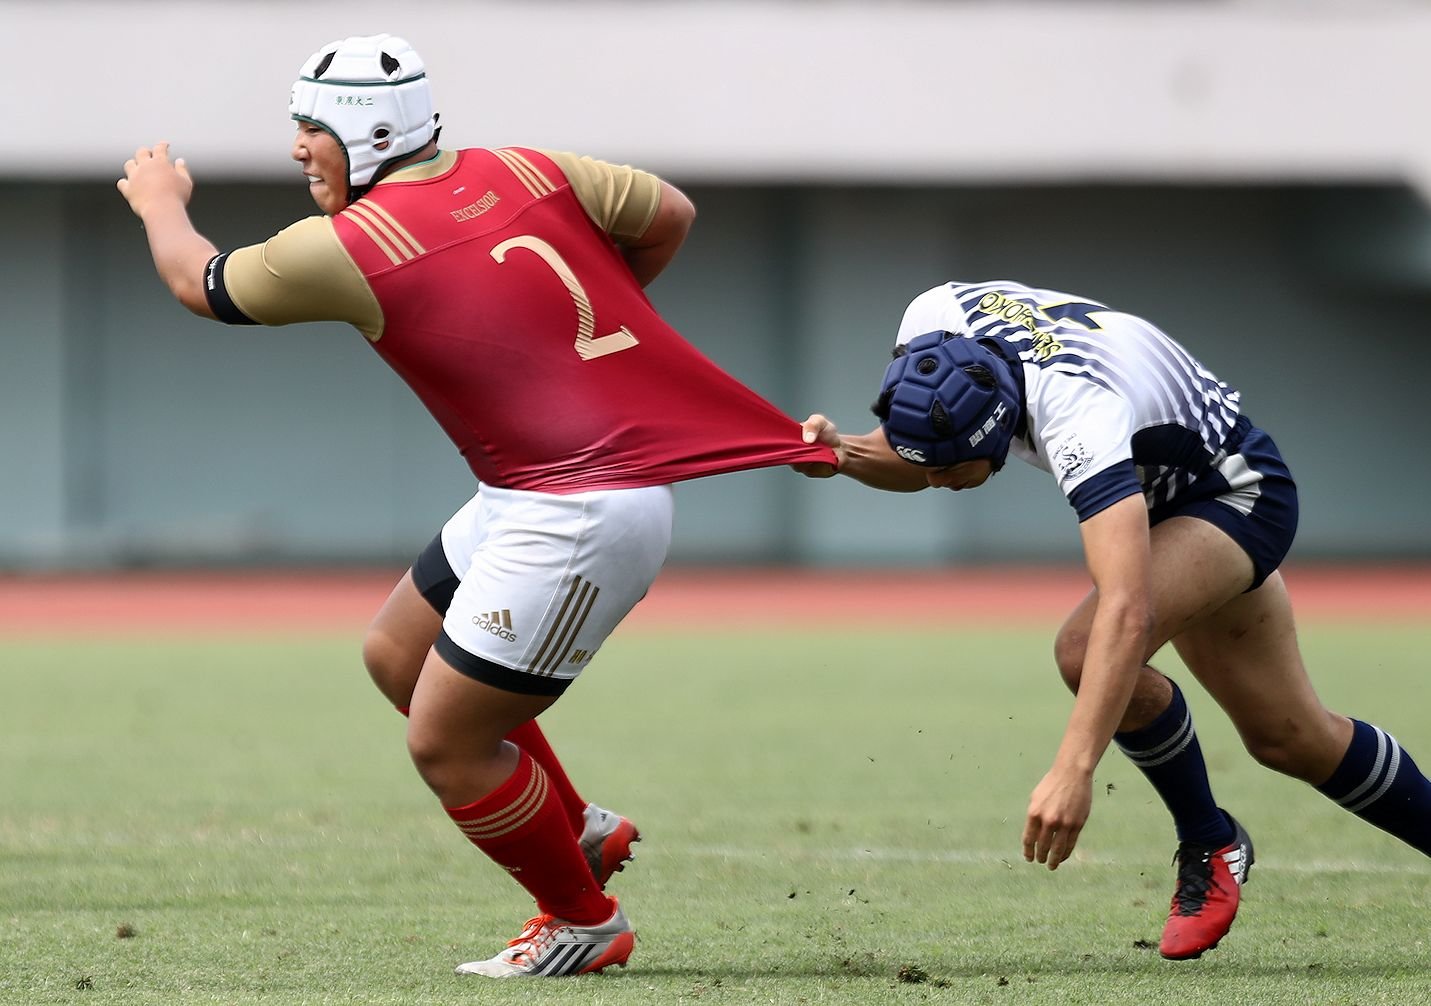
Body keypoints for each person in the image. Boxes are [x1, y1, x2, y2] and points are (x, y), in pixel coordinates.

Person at [117, 33, 835, 979]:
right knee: (396, 656)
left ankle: (582, 920)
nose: (296, 148)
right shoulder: (530, 166)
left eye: (309, 128)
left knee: (447, 744)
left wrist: (161, 201)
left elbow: (199, 283)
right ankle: (574, 828)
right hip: (527, 489)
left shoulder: (348, 246)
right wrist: (572, 352)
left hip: (580, 508)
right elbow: (669, 214)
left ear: (370, 131)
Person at [796, 279, 1431, 960]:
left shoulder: (1079, 414)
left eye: (949, 471)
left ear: (1000, 423)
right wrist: (846, 452)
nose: (934, 484)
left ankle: (1208, 841)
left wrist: (1072, 769)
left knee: (1085, 646)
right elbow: (914, 451)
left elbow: (1128, 610)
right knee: (1290, 738)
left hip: (1235, 493)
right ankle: (1217, 838)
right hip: (1164, 491)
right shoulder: (933, 324)